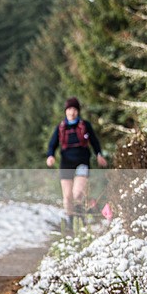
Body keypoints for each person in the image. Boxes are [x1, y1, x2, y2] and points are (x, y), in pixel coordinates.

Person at [46, 97, 107, 229]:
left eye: (74, 109)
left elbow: (94, 141)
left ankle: (81, 219)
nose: (72, 112)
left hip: (82, 162)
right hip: (66, 163)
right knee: (67, 196)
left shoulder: (85, 125)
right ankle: (71, 221)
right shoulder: (61, 127)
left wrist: (99, 154)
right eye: (69, 109)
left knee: (77, 193)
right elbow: (52, 144)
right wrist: (50, 156)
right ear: (65, 111)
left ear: (78, 111)